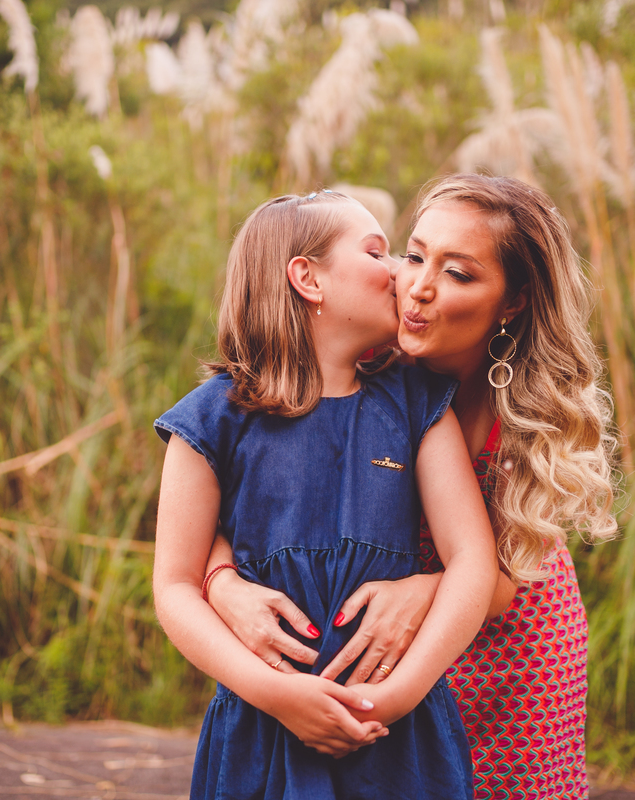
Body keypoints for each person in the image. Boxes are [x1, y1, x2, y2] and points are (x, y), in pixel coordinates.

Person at [204, 175, 618, 799]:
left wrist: (424, 590)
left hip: (509, 655)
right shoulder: (368, 364)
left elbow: (501, 571)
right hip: (375, 650)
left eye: (459, 273)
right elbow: (244, 494)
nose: (419, 286)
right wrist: (222, 581)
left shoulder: (529, 409)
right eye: (415, 255)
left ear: (512, 302)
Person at [152, 189, 500, 800]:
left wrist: (393, 699)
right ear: (308, 279)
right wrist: (277, 693)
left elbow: (473, 559)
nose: (398, 272)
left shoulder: (416, 403)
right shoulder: (209, 420)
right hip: (264, 728)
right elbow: (175, 587)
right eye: (377, 252)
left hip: (397, 737)